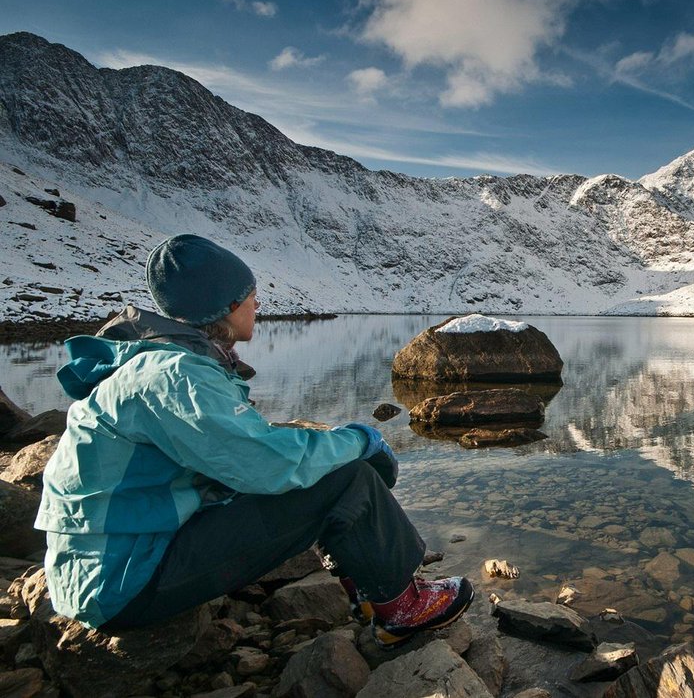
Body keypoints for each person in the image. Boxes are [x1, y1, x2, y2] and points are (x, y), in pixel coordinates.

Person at [36, 234, 472, 646]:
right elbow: (267, 466)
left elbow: (235, 455)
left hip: (116, 563)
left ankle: (367, 585)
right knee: (346, 479)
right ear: (226, 305)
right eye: (250, 295)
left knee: (324, 464)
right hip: (122, 582)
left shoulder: (165, 365)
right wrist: (362, 440)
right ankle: (401, 607)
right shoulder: (175, 377)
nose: (257, 303)